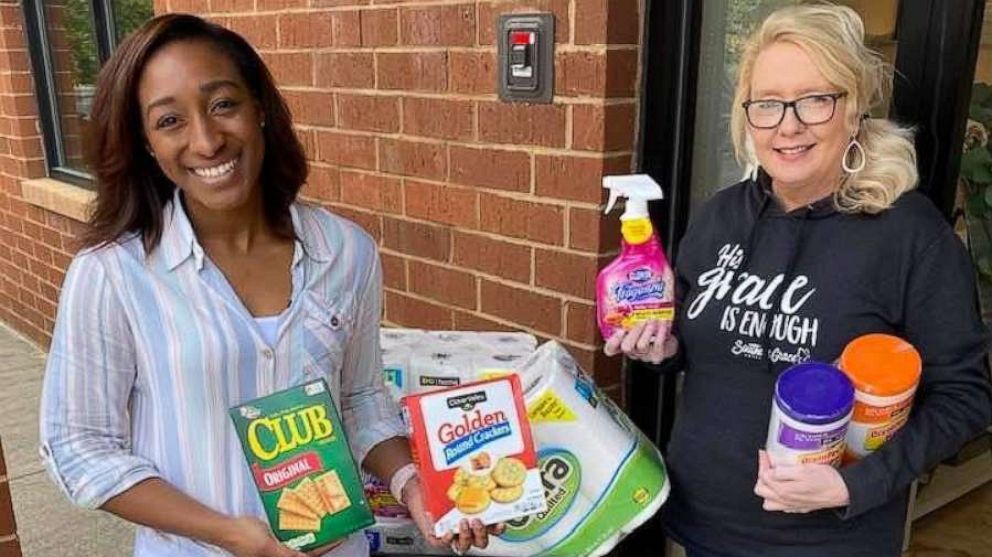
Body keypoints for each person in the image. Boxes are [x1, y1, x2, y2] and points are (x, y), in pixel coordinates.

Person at [38, 14, 498, 557]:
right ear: (146, 143)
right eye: (170, 121)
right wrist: (230, 535)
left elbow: (360, 398)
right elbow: (79, 446)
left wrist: (414, 485)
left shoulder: (346, 252)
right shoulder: (113, 273)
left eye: (222, 104)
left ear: (259, 107)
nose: (207, 141)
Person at [606, 4, 992, 557]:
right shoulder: (720, 216)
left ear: (854, 109)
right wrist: (664, 345)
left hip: (829, 542)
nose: (788, 124)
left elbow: (966, 397)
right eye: (767, 104)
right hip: (700, 524)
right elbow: (699, 347)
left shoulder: (910, 236)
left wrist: (853, 484)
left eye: (814, 100)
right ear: (747, 116)